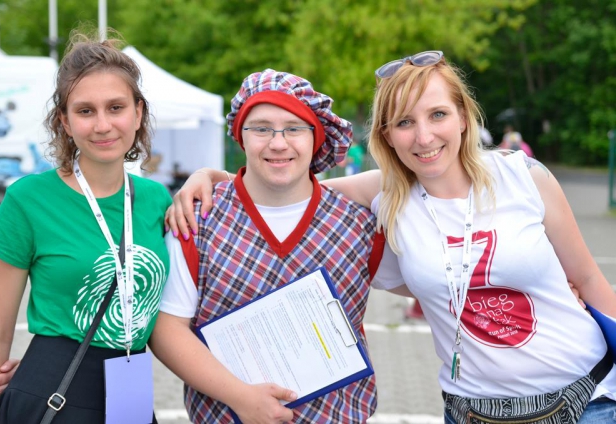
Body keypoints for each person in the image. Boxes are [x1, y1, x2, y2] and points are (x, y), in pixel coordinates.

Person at [169, 51, 616, 423]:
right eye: (404, 122)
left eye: (438, 114)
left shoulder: (523, 176)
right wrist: (211, 177)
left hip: (587, 396)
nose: (424, 136)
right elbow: (288, 187)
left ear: (463, 117)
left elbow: (590, 281)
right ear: (386, 134)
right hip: (474, 410)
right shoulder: (385, 198)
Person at [154, 68, 385, 423]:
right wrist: (241, 397)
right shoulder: (197, 219)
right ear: (240, 136)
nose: (278, 143)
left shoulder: (359, 223)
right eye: (261, 128)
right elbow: (168, 329)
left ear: (316, 137)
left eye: (294, 128)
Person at [0, 30, 172, 423]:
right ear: (64, 121)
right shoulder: (29, 199)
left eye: (115, 107)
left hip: (130, 393)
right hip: (54, 391)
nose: (102, 124)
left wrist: (208, 174)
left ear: (138, 113)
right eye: (85, 111)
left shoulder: (157, 200)